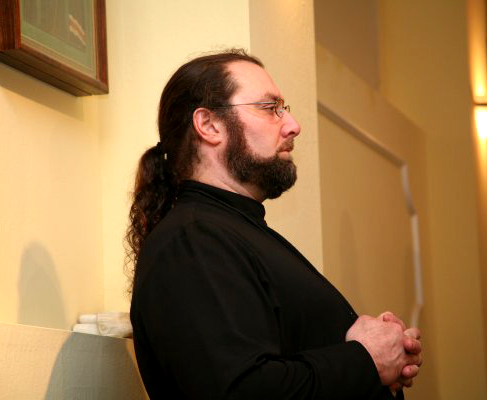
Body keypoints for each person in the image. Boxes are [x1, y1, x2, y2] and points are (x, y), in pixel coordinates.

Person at [127, 49, 422, 399]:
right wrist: (366, 359)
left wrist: (383, 355)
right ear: (209, 125)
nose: (293, 125)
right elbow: (244, 392)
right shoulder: (191, 241)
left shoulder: (233, 231)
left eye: (284, 108)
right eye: (270, 108)